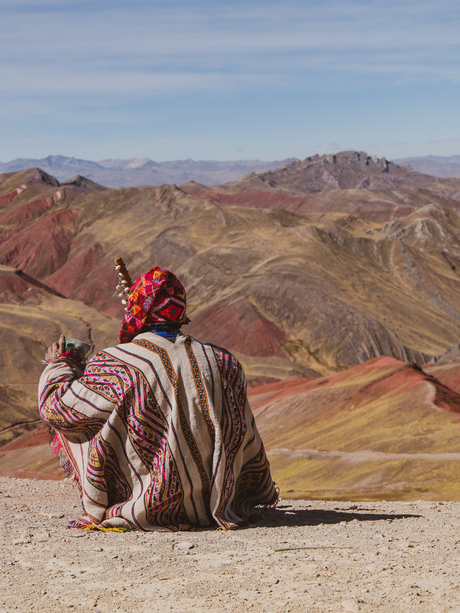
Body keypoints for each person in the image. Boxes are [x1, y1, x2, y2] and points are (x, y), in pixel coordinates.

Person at [39, 265, 277, 531]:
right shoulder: (225, 362)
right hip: (222, 504)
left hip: (146, 507)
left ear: (135, 310)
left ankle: (135, 493)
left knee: (95, 416)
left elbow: (58, 408)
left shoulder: (114, 364)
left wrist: (60, 365)